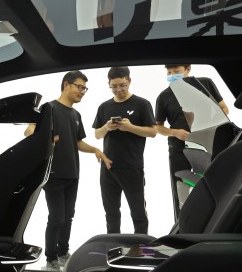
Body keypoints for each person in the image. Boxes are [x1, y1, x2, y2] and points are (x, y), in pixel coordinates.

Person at [25, 70, 112, 272]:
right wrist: (43, 139)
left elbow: (78, 142)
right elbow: (29, 130)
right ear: (66, 85)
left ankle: (64, 253)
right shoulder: (49, 108)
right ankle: (51, 258)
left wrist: (96, 150)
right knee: (57, 217)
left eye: (85, 89)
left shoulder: (75, 114)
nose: (82, 91)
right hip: (53, 174)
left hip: (72, 173)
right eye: (79, 87)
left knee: (69, 216)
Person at [155, 63, 228, 209]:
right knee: (181, 189)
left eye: (176, 71)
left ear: (188, 69)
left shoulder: (205, 83)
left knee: (215, 186)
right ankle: (182, 225)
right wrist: (175, 132)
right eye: (169, 72)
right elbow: (158, 127)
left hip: (207, 144)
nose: (171, 75)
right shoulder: (164, 96)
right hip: (179, 148)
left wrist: (207, 126)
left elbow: (224, 108)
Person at [93, 66, 156, 234]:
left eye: (122, 85)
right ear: (109, 84)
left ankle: (142, 249)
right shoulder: (104, 107)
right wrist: (106, 127)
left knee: (138, 213)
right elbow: (97, 135)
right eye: (114, 86)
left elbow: (153, 132)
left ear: (129, 81)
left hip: (132, 167)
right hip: (108, 167)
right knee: (111, 214)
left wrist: (130, 127)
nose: (118, 90)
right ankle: (112, 248)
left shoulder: (142, 104)